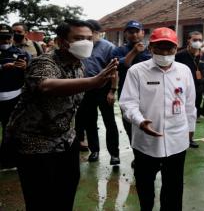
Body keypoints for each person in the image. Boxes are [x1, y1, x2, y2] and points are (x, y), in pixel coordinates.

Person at [5, 19, 118, 211]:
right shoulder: (44, 62)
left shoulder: (79, 65)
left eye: (89, 38)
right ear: (61, 41)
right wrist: (93, 81)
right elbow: (46, 85)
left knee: (66, 194)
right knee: (41, 200)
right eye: (79, 38)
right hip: (35, 143)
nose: (86, 43)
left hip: (65, 139)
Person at [119, 27, 196, 211]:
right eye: (160, 47)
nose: (165, 52)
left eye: (169, 48)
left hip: (177, 141)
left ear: (176, 49)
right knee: (145, 186)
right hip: (146, 142)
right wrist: (140, 121)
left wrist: (190, 131)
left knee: (174, 188)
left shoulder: (184, 70)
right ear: (150, 48)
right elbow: (128, 103)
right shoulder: (137, 71)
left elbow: (190, 104)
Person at [75, 19, 120, 164]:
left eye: (89, 35)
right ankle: (94, 151)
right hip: (85, 89)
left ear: (96, 33)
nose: (86, 38)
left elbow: (114, 71)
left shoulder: (108, 47)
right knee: (90, 122)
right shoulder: (81, 47)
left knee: (109, 122)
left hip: (104, 89)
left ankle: (114, 154)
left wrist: (112, 91)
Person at [111, 20, 151, 145]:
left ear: (142, 33)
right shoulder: (119, 50)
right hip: (127, 93)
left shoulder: (150, 50)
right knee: (129, 124)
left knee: (148, 121)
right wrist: (134, 51)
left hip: (148, 92)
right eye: (130, 32)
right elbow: (122, 65)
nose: (134, 35)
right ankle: (136, 152)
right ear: (125, 34)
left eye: (137, 32)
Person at [175, 31, 204, 148]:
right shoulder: (180, 55)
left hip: (200, 86)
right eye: (195, 40)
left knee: (193, 114)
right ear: (188, 40)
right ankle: (179, 137)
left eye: (200, 40)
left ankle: (190, 139)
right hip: (184, 88)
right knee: (182, 114)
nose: (198, 42)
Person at [0, 24, 30, 168]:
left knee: (10, 129)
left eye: (7, 38)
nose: (5, 42)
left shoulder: (20, 53)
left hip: (14, 96)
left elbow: (32, 74)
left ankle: (8, 160)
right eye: (1, 39)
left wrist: (25, 68)